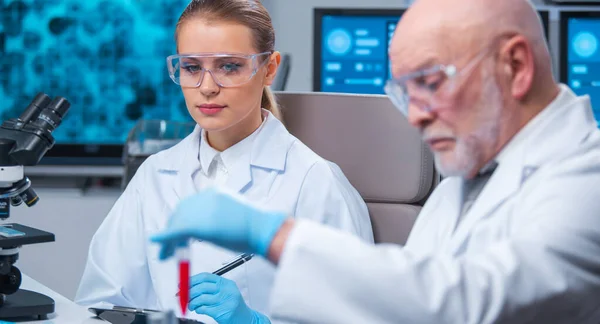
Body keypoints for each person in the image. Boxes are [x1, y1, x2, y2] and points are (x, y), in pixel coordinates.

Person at [150, 0, 600, 323]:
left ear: (516, 66)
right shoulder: (459, 188)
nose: (416, 115)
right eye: (406, 93)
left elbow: (471, 301)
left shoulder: (586, 179)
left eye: (430, 82)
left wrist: (273, 236)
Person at [74, 0, 374, 323]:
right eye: (191, 67)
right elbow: (99, 302)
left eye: (229, 67)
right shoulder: (155, 176)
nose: (206, 87)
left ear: (269, 69)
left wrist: (254, 322)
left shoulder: (314, 181)